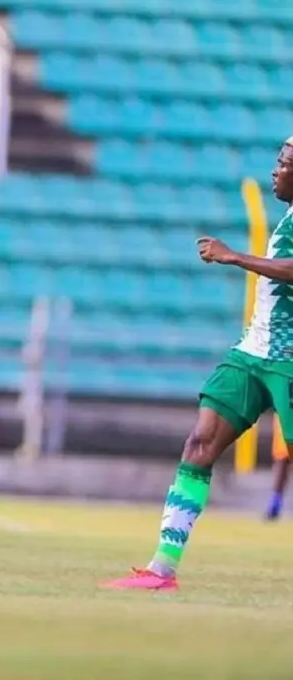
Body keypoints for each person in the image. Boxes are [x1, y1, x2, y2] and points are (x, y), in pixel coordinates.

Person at [103, 138, 293, 590]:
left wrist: (234, 257)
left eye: (284, 163)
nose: (275, 171)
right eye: (278, 160)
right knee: (200, 443)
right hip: (253, 353)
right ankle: (161, 569)